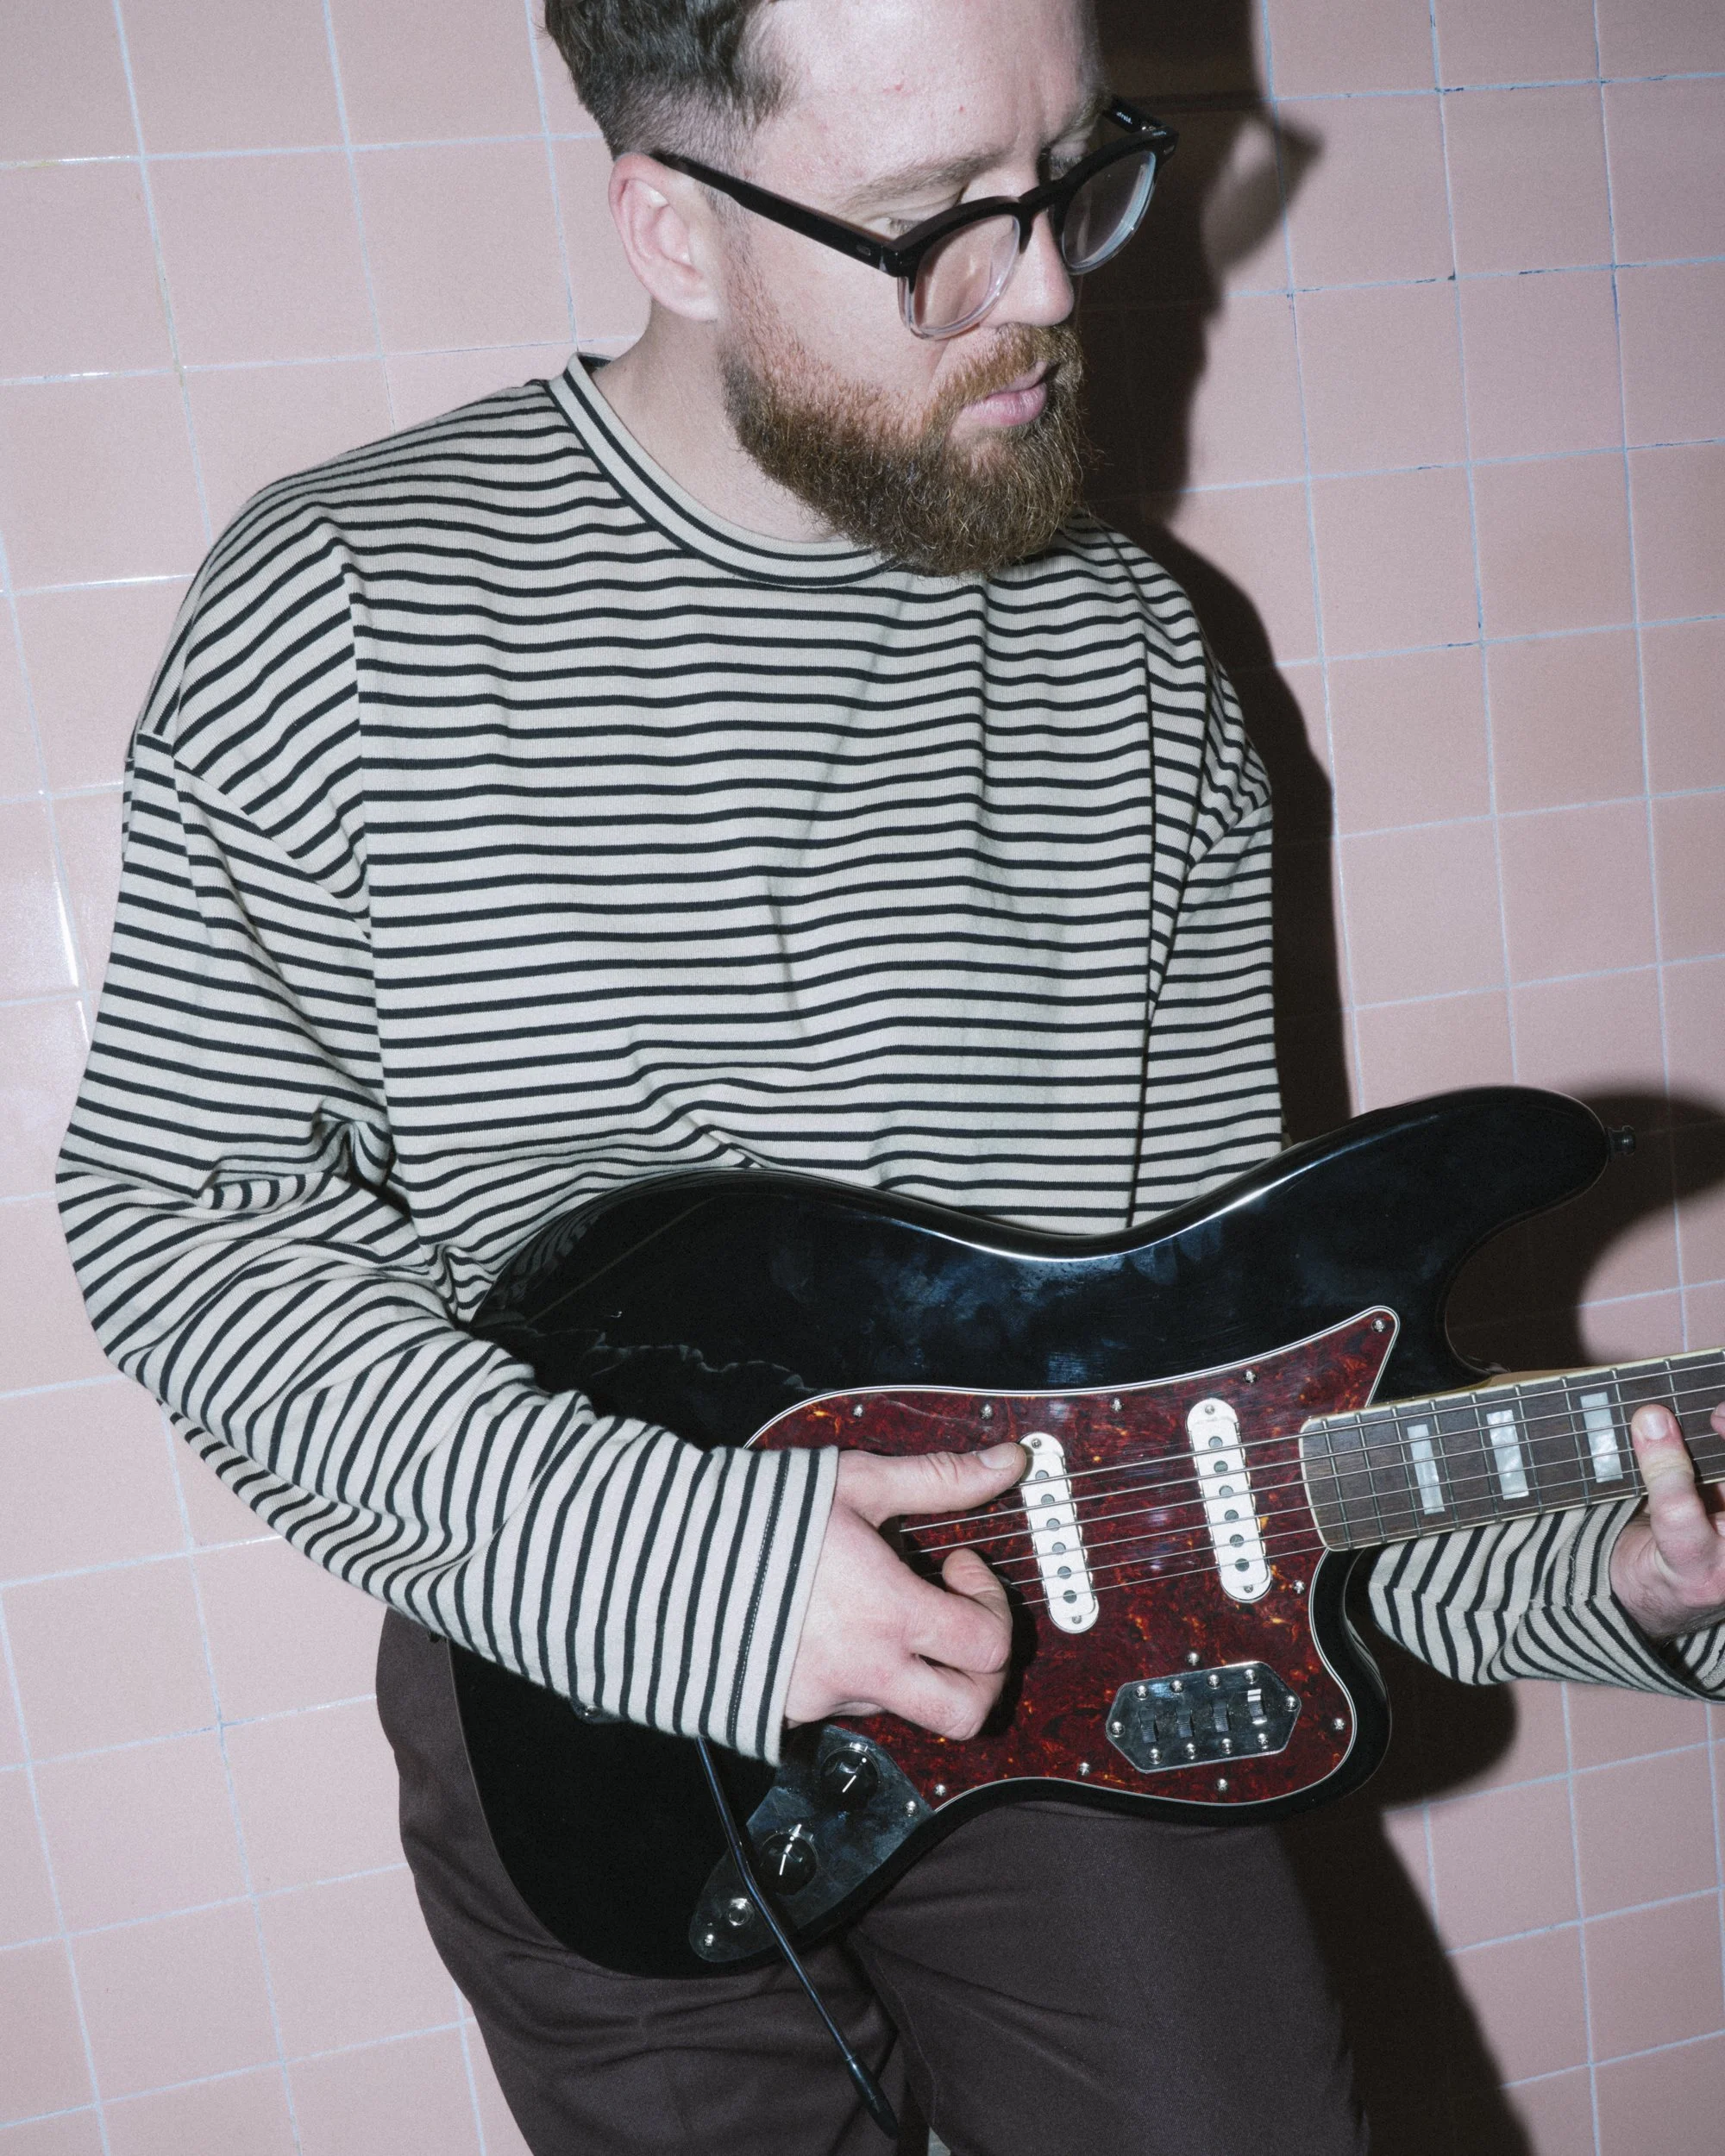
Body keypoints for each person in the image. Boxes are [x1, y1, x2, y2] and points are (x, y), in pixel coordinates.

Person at [57, 2, 1725, 2149]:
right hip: (567, 1670)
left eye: (1072, 172)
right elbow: (191, 1225)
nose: (1045, 287)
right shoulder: (349, 604)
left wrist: (1605, 1566)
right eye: (937, 221)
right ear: (671, 226)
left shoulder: (1138, 664)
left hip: (1100, 1642)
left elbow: (1251, 1380)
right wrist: (695, 1565)